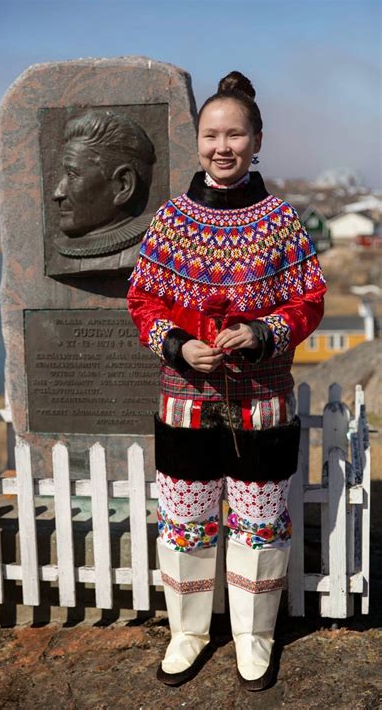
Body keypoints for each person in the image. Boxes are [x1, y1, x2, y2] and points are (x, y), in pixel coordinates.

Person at [127, 71, 326, 691]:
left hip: (262, 402)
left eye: (235, 134)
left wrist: (264, 332)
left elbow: (310, 300)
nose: (223, 146)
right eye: (212, 134)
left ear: (256, 138)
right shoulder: (171, 221)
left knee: (260, 525)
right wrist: (180, 344)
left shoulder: (282, 222)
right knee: (185, 525)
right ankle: (187, 632)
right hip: (185, 401)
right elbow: (143, 303)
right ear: (198, 141)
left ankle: (254, 636)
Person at [52, 110, 156, 271]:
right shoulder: (56, 259)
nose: (57, 193)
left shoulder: (158, 253)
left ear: (123, 184)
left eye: (72, 175)